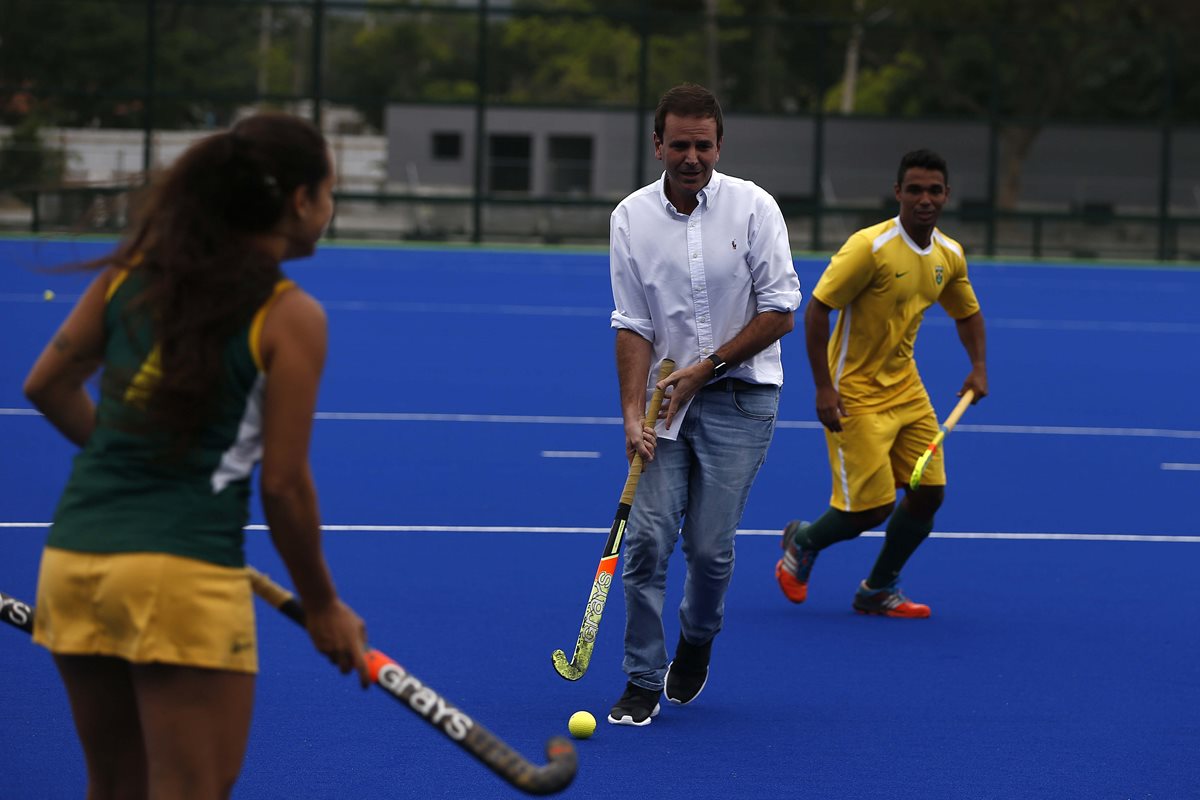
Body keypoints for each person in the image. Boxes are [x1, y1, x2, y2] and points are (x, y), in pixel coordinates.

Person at [23, 112, 369, 800]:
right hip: (180, 578)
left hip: (74, 560)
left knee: (113, 789)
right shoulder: (289, 314)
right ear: (299, 201)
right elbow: (284, 485)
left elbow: (47, 385)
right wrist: (323, 603)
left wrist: (136, 464)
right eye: (330, 191)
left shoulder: (129, 277)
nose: (330, 208)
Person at [607, 83, 801, 726]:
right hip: (664, 402)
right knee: (646, 541)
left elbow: (780, 311)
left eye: (704, 145)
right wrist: (633, 413)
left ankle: (696, 640)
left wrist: (709, 367)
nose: (692, 156)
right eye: (680, 144)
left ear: (719, 145)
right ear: (658, 144)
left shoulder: (754, 208)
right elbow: (632, 322)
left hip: (742, 400)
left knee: (710, 551)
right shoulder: (629, 218)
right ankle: (640, 675)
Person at [775, 148, 988, 618]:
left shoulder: (948, 255)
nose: (925, 199)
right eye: (915, 189)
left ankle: (879, 588)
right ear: (898, 193)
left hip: (908, 390)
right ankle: (803, 541)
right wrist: (824, 388)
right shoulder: (868, 247)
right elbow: (817, 310)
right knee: (868, 511)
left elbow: (967, 312)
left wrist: (978, 367)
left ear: (946, 195)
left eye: (934, 190)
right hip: (855, 394)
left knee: (929, 494)